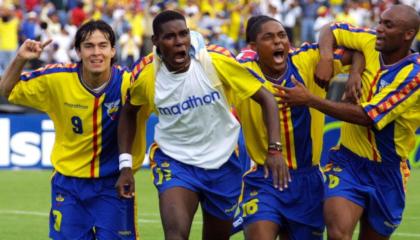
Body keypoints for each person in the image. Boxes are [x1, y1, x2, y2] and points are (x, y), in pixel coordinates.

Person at [117, 10, 289, 240]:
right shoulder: (146, 76)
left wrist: (275, 149)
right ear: (156, 41)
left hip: (223, 161)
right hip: (175, 161)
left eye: (183, 34)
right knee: (175, 234)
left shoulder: (215, 61)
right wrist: (125, 165)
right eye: (170, 37)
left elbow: (267, 98)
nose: (179, 43)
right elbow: (128, 113)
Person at [276, 4, 420, 240]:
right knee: (338, 234)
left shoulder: (414, 75)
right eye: (381, 21)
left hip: (388, 170)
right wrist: (328, 58)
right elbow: (330, 29)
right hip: (348, 161)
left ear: (408, 35)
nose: (379, 29)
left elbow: (367, 117)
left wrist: (310, 99)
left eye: (388, 25)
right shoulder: (370, 40)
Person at [0, 20, 146, 240]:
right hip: (69, 186)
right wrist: (20, 58)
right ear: (78, 51)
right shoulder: (56, 78)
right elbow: (7, 90)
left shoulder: (130, 84)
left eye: (103, 45)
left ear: (113, 50)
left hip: (114, 184)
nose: (96, 52)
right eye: (88, 46)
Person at [233, 15, 364, 240]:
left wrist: (352, 73)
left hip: (308, 182)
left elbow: (360, 49)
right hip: (265, 178)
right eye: (269, 37)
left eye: (282, 35)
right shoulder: (240, 70)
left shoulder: (307, 59)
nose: (278, 42)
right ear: (253, 47)